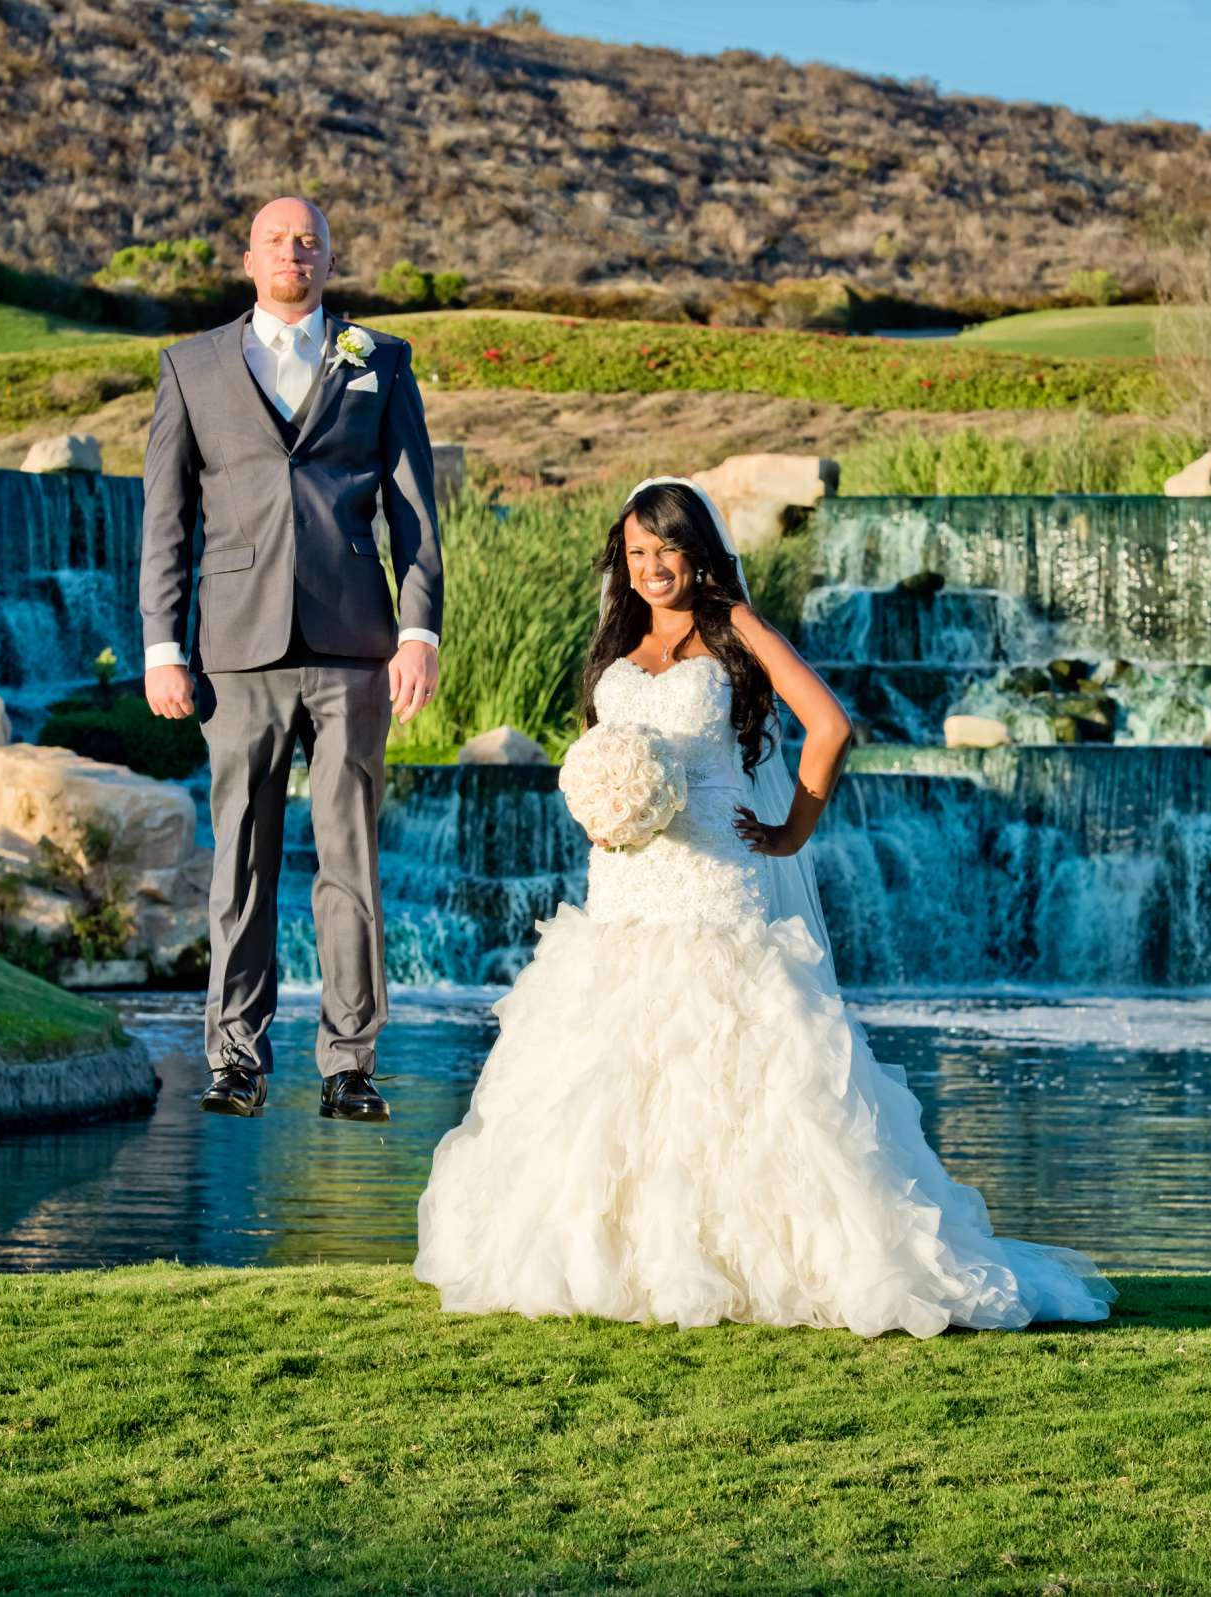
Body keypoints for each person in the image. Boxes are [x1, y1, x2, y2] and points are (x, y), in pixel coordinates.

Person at [413, 479, 1114, 1337]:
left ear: (696, 549)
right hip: (625, 888)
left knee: (736, 1064)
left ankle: (763, 1260)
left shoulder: (732, 625)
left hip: (716, 881)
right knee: (614, 1068)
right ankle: (620, 1258)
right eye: (635, 553)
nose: (651, 566)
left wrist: (790, 829)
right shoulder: (617, 639)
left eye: (664, 548)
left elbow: (829, 723)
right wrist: (603, 798)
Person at [138, 197, 444, 1125]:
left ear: (328, 257)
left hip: (355, 645)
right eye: (277, 239)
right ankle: (236, 1056)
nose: (294, 252)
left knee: (350, 858)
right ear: (248, 259)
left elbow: (415, 510)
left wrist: (419, 631)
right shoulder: (189, 367)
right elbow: (165, 518)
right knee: (240, 857)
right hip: (236, 649)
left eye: (309, 240)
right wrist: (161, 644)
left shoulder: (379, 361)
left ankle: (349, 1064)